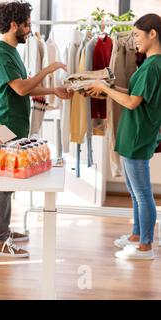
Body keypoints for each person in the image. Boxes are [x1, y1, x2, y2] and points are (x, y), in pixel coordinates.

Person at [0, 1, 71, 258]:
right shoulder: (1, 54)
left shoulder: (11, 52)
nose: (29, 30)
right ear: (14, 25)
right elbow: (21, 89)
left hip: (14, 125)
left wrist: (52, 90)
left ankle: (3, 230)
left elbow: (24, 86)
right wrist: (49, 69)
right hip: (5, 126)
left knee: (10, 182)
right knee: (3, 183)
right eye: (27, 25)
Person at [86, 14, 161, 260]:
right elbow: (132, 93)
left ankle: (146, 246)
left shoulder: (153, 66)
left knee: (142, 193)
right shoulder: (150, 64)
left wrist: (106, 88)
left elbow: (131, 102)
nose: (134, 41)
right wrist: (105, 87)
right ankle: (136, 236)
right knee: (134, 189)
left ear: (153, 34)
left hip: (139, 136)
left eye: (138, 35)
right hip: (134, 134)